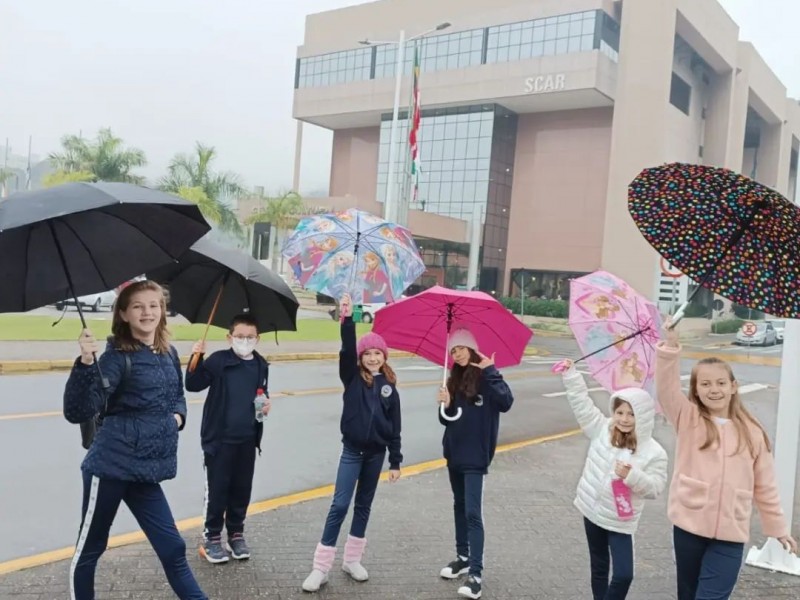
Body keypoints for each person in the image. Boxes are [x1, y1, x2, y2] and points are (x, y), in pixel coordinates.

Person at [62, 280, 206, 600]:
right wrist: (86, 364)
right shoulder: (115, 357)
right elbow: (78, 411)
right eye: (138, 306)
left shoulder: (168, 353)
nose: (147, 312)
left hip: (145, 470)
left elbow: (177, 397)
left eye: (154, 305)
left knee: (172, 547)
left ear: (163, 311)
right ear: (124, 314)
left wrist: (177, 418)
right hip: (110, 467)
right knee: (90, 549)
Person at [657, 319, 798, 599]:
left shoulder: (753, 432)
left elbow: (765, 486)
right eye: (705, 384)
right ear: (695, 390)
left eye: (721, 383)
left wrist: (778, 528)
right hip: (689, 526)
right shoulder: (688, 419)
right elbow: (666, 389)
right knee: (688, 593)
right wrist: (671, 345)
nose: (714, 389)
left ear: (734, 386)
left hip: (731, 535)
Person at [301, 293, 403, 592]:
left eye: (377, 353)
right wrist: (347, 319)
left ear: (384, 356)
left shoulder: (389, 386)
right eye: (367, 353)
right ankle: (321, 567)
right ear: (360, 358)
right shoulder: (352, 377)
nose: (372, 358)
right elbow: (346, 349)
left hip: (376, 455)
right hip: (352, 452)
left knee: (363, 506)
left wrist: (395, 461)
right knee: (340, 505)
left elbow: (395, 427)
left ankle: (352, 560)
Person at [558, 359, 668, 599]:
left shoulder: (654, 452)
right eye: (620, 412)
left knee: (623, 574)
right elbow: (582, 405)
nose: (624, 419)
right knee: (598, 566)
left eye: (631, 414)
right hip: (591, 510)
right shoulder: (602, 429)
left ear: (643, 416)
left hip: (620, 521)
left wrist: (632, 476)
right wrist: (571, 375)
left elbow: (655, 488)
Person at [185, 313, 271, 564]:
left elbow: (261, 393)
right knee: (217, 490)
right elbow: (193, 384)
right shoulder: (219, 361)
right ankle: (211, 537)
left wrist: (265, 403)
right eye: (240, 336)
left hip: (247, 439)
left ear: (258, 338)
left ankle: (236, 534)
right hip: (219, 440)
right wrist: (196, 357)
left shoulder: (261, 364)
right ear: (229, 337)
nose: (245, 341)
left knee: (241, 489)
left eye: (250, 337)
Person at [437, 327, 514, 600]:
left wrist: (491, 370)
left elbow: (506, 402)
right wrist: (445, 404)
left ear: (471, 349)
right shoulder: (453, 379)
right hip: (454, 454)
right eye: (453, 350)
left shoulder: (486, 378)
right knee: (458, 506)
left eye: (461, 348)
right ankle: (463, 557)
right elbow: (448, 420)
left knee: (472, 512)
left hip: (475, 457)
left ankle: (476, 576)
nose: (457, 354)